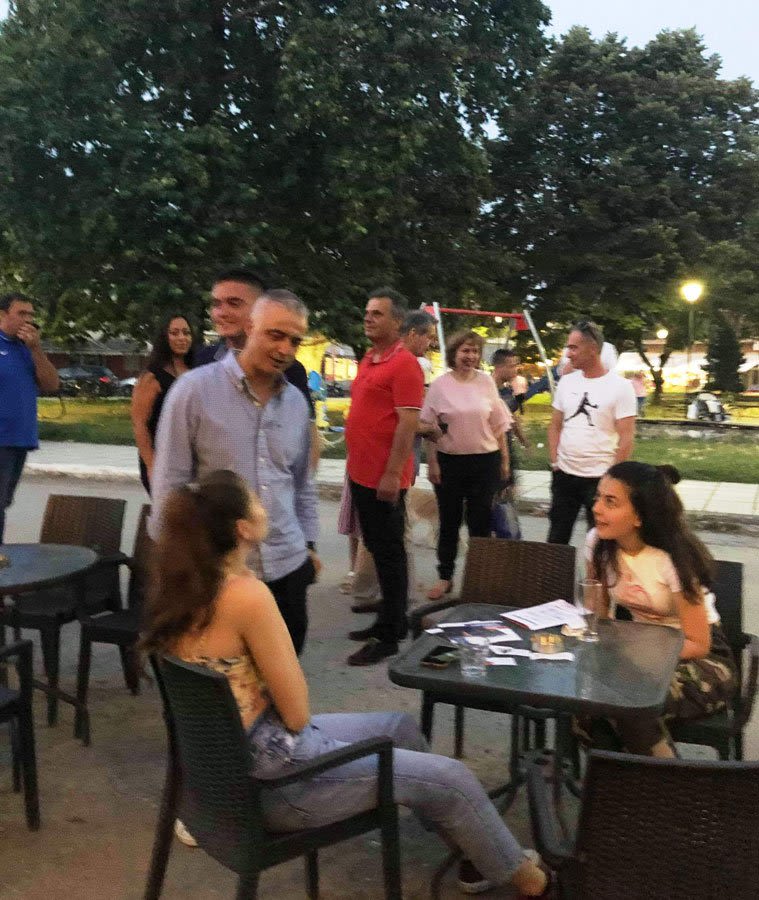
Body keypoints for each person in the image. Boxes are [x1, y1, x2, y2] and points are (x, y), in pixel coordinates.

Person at [141, 469, 549, 897]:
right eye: (256, 499)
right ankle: (533, 882)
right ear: (243, 528)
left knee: (399, 728)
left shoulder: (181, 590)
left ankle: (472, 851)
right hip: (279, 785)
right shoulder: (246, 596)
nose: (265, 505)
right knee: (450, 778)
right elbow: (297, 716)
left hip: (229, 775)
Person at [150, 290, 319, 655]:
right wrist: (176, 567)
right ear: (249, 328)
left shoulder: (295, 403)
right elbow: (169, 485)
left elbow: (302, 484)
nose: (285, 349)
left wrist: (308, 546)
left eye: (295, 341)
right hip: (216, 574)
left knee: (284, 677)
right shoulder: (193, 391)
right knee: (223, 683)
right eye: (275, 335)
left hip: (287, 571)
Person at [577, 461, 737, 757]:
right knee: (587, 700)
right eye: (598, 497)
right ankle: (617, 781)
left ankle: (668, 783)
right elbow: (598, 619)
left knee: (629, 701)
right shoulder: (598, 543)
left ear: (639, 516)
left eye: (610, 502)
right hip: (641, 647)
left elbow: (698, 643)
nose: (596, 508)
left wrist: (632, 655)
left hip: (702, 659)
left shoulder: (671, 559)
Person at [344, 288, 425, 666]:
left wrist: (392, 474)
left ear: (397, 322)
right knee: (378, 548)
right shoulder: (369, 358)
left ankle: (390, 636)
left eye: (377, 313)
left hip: (383, 478)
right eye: (367, 312)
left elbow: (407, 424)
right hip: (360, 473)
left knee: (390, 554)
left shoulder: (405, 364)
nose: (368, 318)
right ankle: (389, 619)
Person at [421, 331, 511, 601]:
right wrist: (433, 463)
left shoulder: (486, 382)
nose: (470, 356)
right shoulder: (440, 386)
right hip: (449, 462)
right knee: (449, 521)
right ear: (454, 353)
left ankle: (477, 578)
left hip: (485, 461)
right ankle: (445, 576)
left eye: (474, 351)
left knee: (480, 523)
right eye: (465, 351)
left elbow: (498, 425)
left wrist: (504, 460)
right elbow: (428, 428)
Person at [547, 321, 636, 545]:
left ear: (593, 349)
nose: (568, 354)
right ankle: (554, 571)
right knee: (556, 538)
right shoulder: (567, 382)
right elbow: (555, 425)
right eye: (568, 347)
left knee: (601, 540)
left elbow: (626, 436)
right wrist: (555, 462)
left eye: (573, 348)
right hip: (565, 474)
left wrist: (613, 476)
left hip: (600, 477)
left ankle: (596, 570)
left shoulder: (620, 387)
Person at [0, 292, 59, 543]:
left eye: (31, 315)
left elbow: (51, 384)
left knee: (3, 502)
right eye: (21, 313)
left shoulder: (27, 349)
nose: (28, 320)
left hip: (19, 439)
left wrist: (36, 349)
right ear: (2, 315)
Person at [130, 314, 196, 494]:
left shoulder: (196, 373)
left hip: (189, 462)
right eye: (174, 333)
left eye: (186, 333)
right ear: (164, 338)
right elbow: (139, 423)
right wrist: (152, 466)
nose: (182, 338)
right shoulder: (152, 377)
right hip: (161, 462)